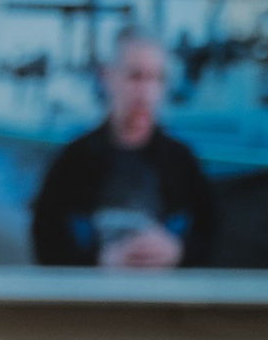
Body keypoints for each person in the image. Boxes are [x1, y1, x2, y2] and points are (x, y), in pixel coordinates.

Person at [29, 22, 217, 273]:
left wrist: (179, 251)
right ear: (109, 77)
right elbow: (45, 239)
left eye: (157, 78)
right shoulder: (75, 159)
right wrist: (98, 260)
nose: (146, 93)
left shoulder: (181, 159)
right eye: (135, 77)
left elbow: (213, 233)